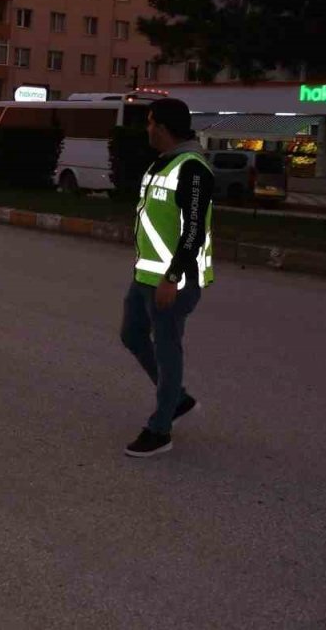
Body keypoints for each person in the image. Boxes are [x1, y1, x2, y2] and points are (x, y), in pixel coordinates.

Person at [120, 98, 215, 458]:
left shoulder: (193, 169)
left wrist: (172, 277)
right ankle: (177, 399)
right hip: (146, 273)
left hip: (174, 279)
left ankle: (161, 429)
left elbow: (194, 231)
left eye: (149, 123)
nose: (147, 129)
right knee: (131, 334)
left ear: (161, 126)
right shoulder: (164, 164)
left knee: (166, 347)